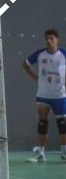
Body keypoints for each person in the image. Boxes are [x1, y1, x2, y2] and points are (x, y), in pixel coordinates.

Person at [23, 28, 66, 163]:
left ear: (57, 40)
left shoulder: (63, 55)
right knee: (42, 123)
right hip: (43, 95)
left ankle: (64, 152)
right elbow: (25, 65)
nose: (49, 41)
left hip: (59, 95)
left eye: (51, 38)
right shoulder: (40, 54)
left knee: (62, 124)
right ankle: (41, 153)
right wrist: (36, 78)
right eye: (47, 38)